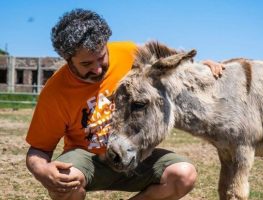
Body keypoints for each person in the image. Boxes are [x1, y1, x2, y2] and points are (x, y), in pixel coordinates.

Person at [25, 9, 224, 200]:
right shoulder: (55, 91)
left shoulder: (130, 52)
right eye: (86, 64)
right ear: (67, 60)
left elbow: (178, 64)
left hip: (135, 152)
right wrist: (42, 171)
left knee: (183, 175)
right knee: (64, 183)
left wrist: (203, 67)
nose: (96, 69)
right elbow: (38, 150)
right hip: (89, 160)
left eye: (101, 58)